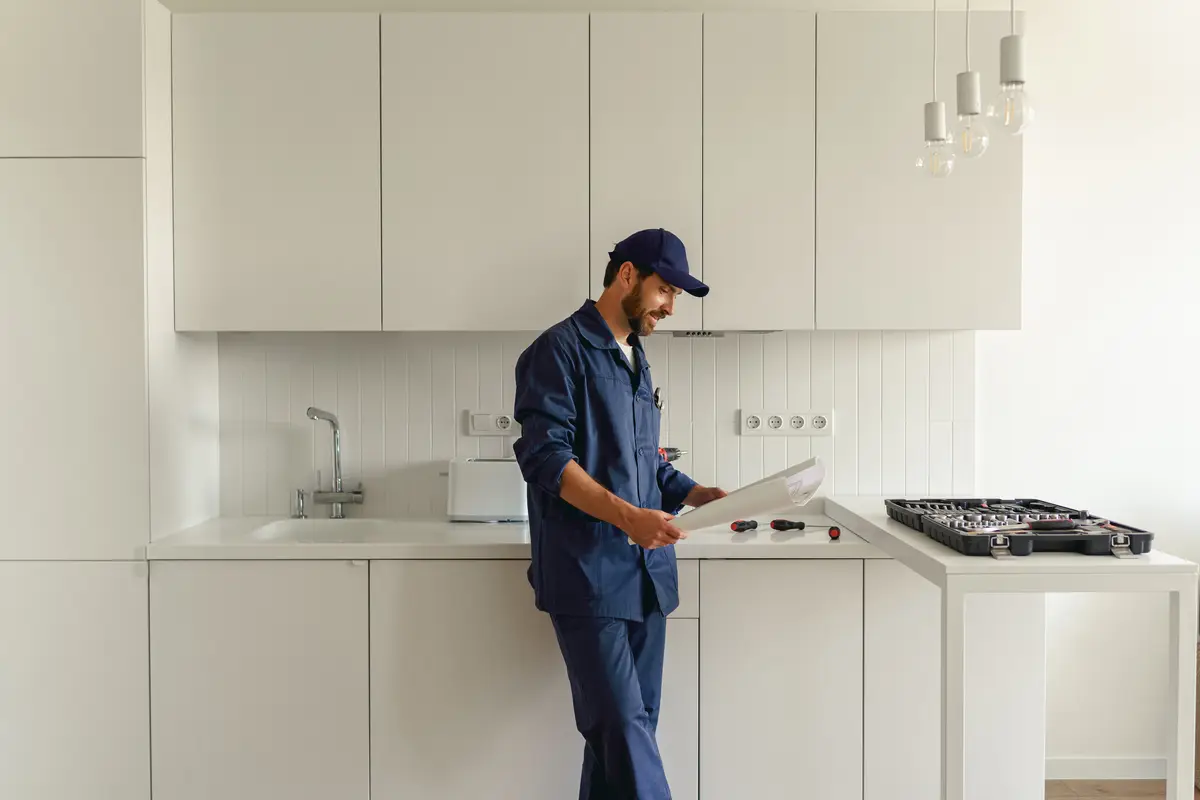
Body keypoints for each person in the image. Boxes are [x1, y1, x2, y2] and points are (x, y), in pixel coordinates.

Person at [512, 228, 727, 800]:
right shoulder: (557, 350)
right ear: (626, 275)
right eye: (664, 290)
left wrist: (692, 490)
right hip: (587, 577)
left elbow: (643, 460)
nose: (670, 307)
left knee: (629, 737)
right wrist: (629, 518)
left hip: (647, 581)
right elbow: (545, 458)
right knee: (623, 732)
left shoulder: (637, 359)